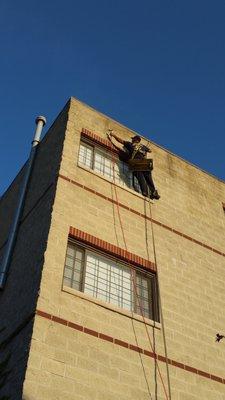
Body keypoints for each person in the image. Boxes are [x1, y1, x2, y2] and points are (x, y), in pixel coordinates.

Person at [107, 131, 160, 200]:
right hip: (145, 162)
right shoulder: (143, 146)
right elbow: (149, 151)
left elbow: (120, 141)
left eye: (132, 139)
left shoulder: (130, 144)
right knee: (149, 178)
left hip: (136, 162)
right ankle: (153, 192)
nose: (131, 140)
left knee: (140, 177)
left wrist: (113, 135)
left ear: (135, 140)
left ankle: (145, 192)